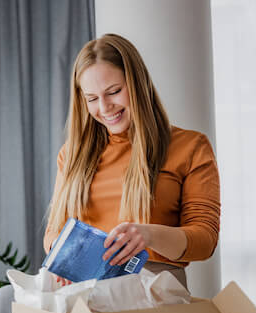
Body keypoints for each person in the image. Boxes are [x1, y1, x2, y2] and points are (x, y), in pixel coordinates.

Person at [44, 33, 220, 290]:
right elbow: (52, 233)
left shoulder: (190, 147)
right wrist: (64, 255)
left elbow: (205, 240)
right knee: (7, 301)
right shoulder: (71, 155)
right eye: (92, 99)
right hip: (84, 292)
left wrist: (148, 235)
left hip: (153, 294)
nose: (104, 108)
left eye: (114, 91)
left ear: (137, 83)